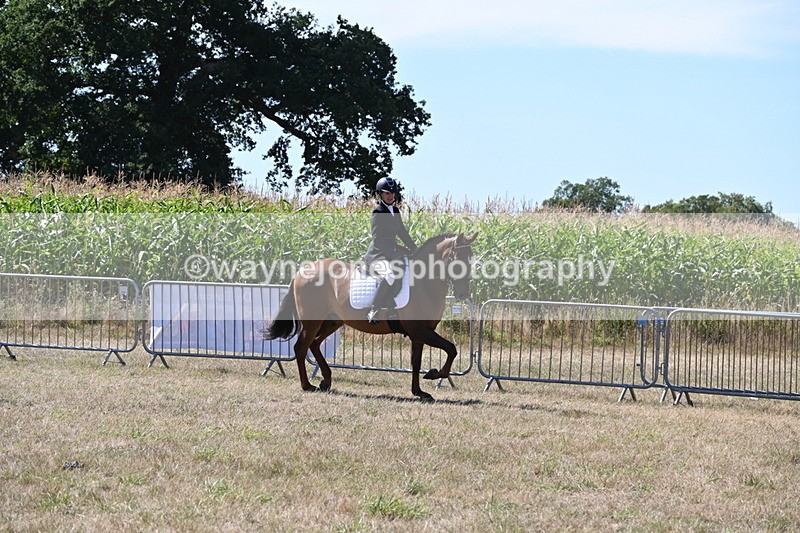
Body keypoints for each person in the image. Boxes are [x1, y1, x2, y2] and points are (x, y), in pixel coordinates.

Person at [362, 177, 418, 324]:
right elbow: (378, 240)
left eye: (392, 193)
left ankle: (392, 308)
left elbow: (402, 233)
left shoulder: (395, 211)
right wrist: (394, 255)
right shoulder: (378, 212)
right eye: (387, 193)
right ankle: (373, 309)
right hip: (377, 255)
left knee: (406, 271)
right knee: (391, 273)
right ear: (380, 194)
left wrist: (415, 249)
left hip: (391, 253)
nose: (390, 196)